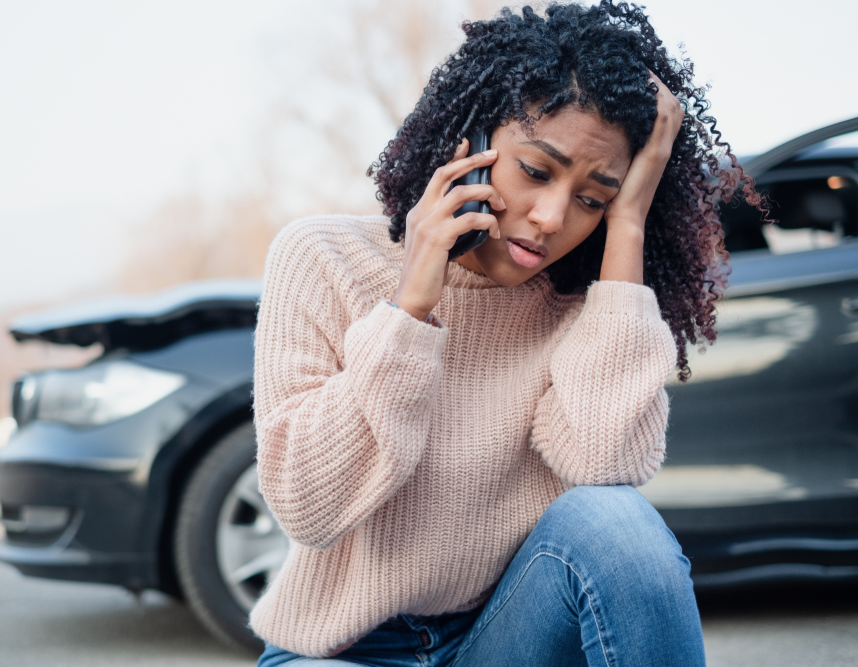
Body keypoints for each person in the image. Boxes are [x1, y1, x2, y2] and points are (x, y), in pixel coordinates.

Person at [250, 2, 761, 665]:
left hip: (503, 636)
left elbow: (603, 462)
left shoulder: (587, 305)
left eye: (591, 199)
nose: (551, 217)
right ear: (469, 139)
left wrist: (629, 221)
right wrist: (410, 308)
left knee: (618, 523)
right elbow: (309, 506)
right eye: (537, 170)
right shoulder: (322, 258)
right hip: (339, 650)